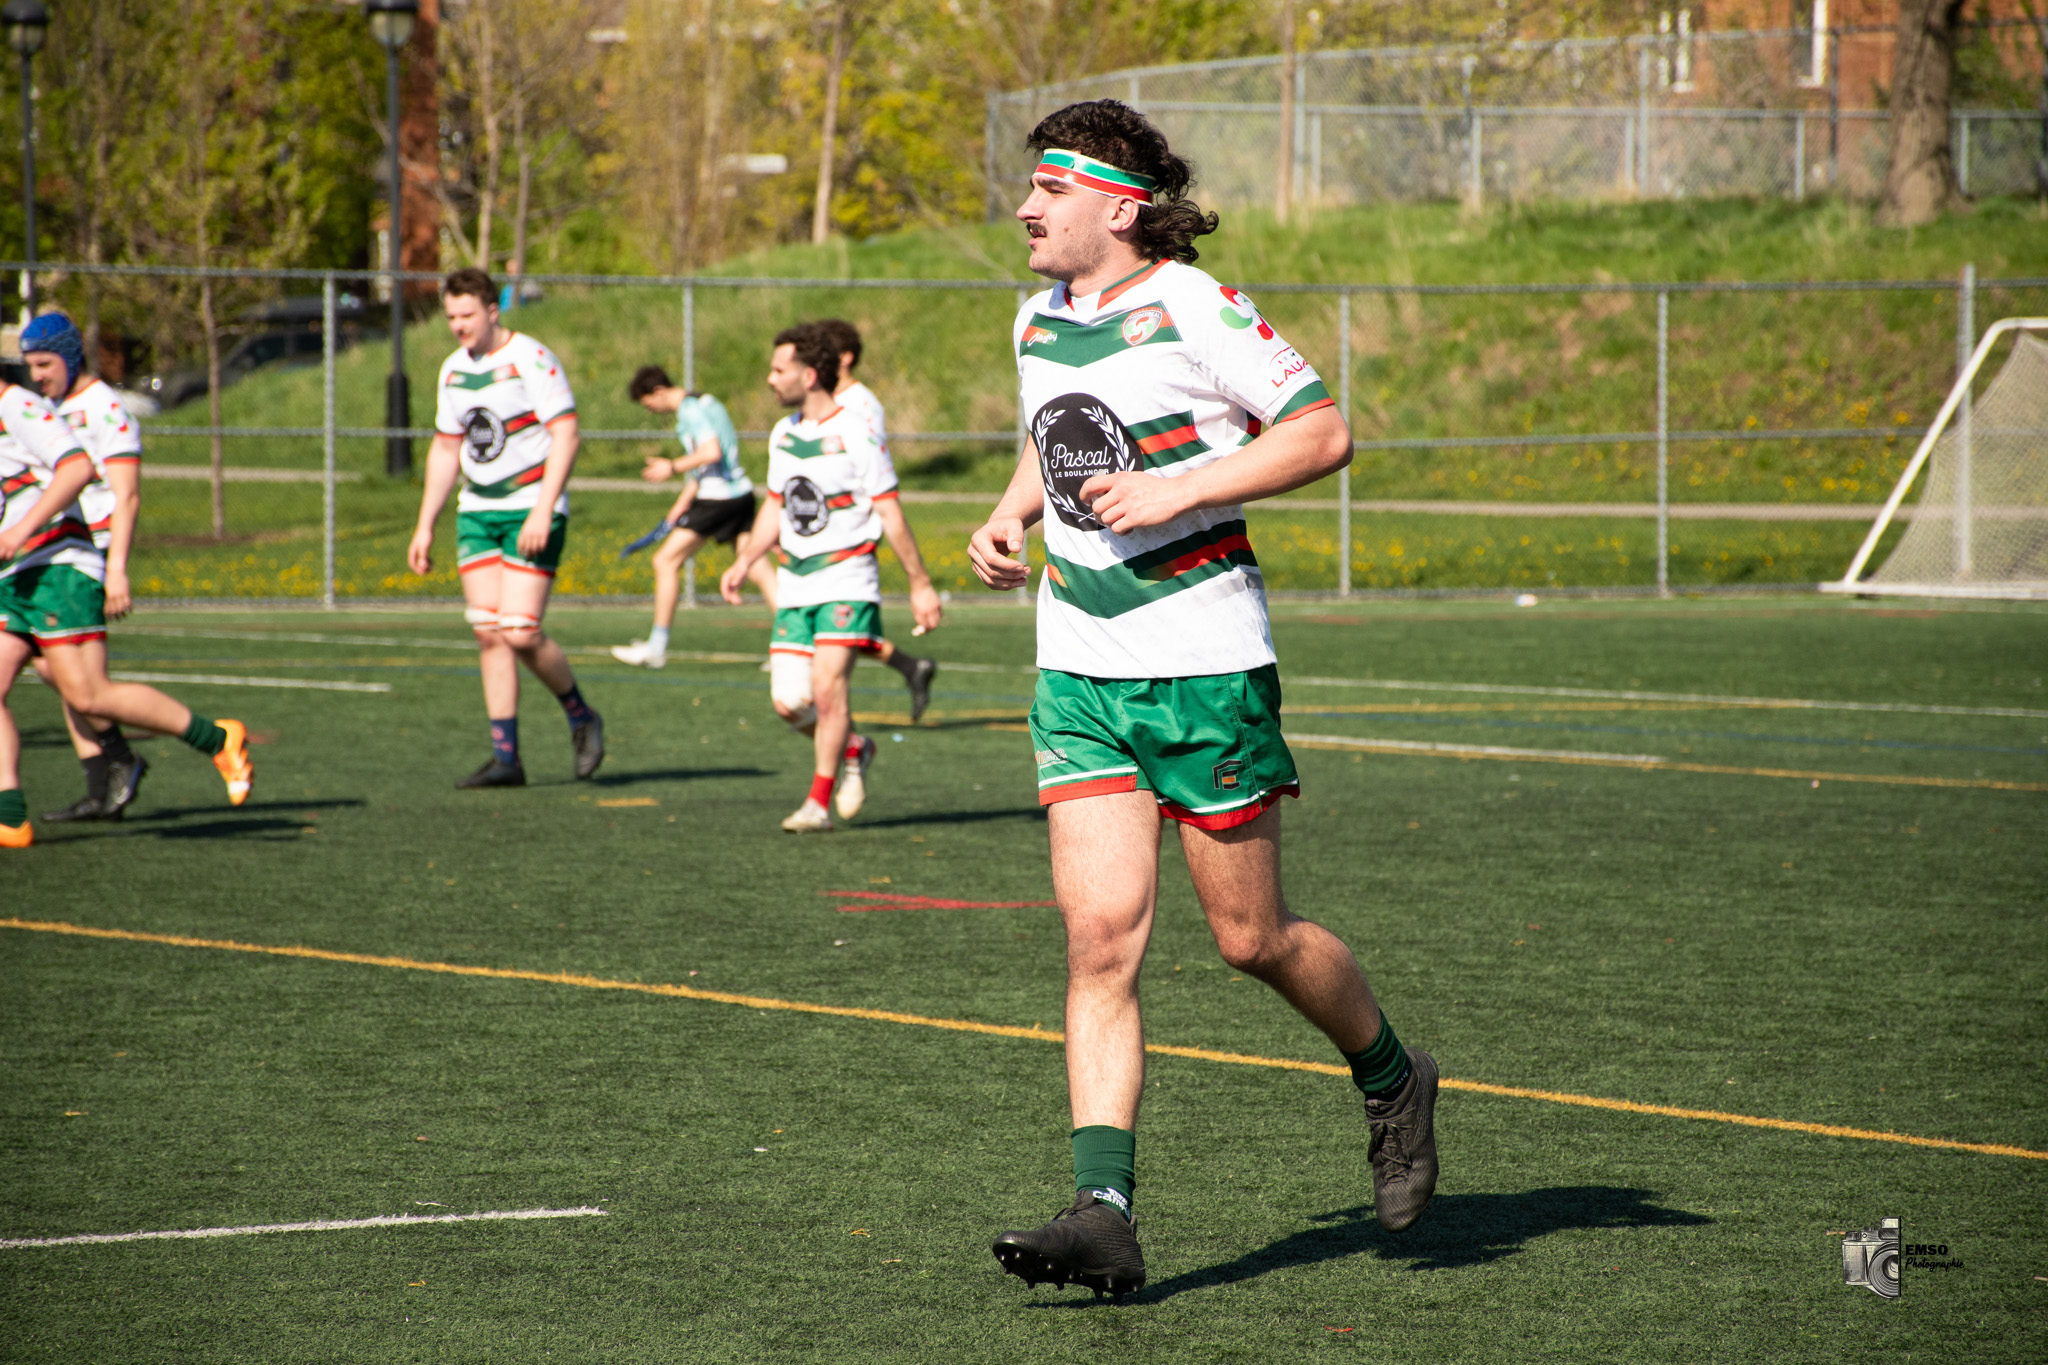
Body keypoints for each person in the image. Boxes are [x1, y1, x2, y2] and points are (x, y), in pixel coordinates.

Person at [966, 100, 1440, 1298]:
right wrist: (1010, 512)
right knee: (1098, 940)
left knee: (1248, 939)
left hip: (1200, 666)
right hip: (1077, 667)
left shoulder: (1193, 304)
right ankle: (1103, 1211)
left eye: (1050, 191)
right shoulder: (1036, 316)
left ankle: (1391, 1077)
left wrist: (1179, 489)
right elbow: (1051, 436)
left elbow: (1320, 432)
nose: (1025, 209)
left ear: (1119, 208)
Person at [0, 360, 253, 849]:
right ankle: (10, 816)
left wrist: (21, 533)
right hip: (18, 576)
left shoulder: (18, 406)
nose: (40, 371)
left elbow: (79, 469)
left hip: (57, 568)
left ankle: (218, 739)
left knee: (90, 695)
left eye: (46, 361)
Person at [720, 323, 942, 831]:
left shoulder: (857, 431)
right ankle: (854, 748)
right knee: (788, 703)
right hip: (796, 582)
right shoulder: (783, 434)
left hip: (847, 577)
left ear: (809, 375)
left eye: (779, 369)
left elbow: (889, 512)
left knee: (826, 690)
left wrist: (920, 583)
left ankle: (816, 804)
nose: (770, 379)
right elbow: (774, 506)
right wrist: (745, 560)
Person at [408, 267, 603, 788]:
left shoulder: (531, 358)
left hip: (529, 507)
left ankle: (581, 715)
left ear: (493, 311)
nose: (458, 325)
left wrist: (543, 508)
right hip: (477, 510)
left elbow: (566, 435)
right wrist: (425, 524)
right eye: (451, 316)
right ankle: (506, 758)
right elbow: (446, 447)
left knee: (520, 631)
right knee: (488, 632)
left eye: (467, 314)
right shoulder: (452, 369)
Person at [19, 314, 149, 821]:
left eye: (45, 364)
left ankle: (125, 761)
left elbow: (126, 496)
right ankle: (107, 779)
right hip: (49, 555)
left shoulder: (104, 409)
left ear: (70, 358)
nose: (37, 376)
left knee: (76, 677)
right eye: (30, 366)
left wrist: (116, 568)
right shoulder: (48, 407)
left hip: (85, 557)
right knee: (57, 670)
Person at [811, 318, 939, 720]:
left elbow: (871, 474)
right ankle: (910, 667)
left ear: (846, 357)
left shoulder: (861, 404)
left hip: (849, 532)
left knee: (834, 628)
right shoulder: (819, 401)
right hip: (818, 529)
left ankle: (842, 738)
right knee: (832, 627)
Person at [609, 366, 776, 668]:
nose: (650, 410)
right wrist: (682, 502)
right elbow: (712, 463)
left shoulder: (689, 410)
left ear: (658, 391)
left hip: (718, 499)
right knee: (757, 567)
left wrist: (672, 467)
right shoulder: (707, 402)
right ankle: (793, 647)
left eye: (648, 403)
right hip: (739, 493)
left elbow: (711, 453)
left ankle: (656, 647)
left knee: (664, 561)